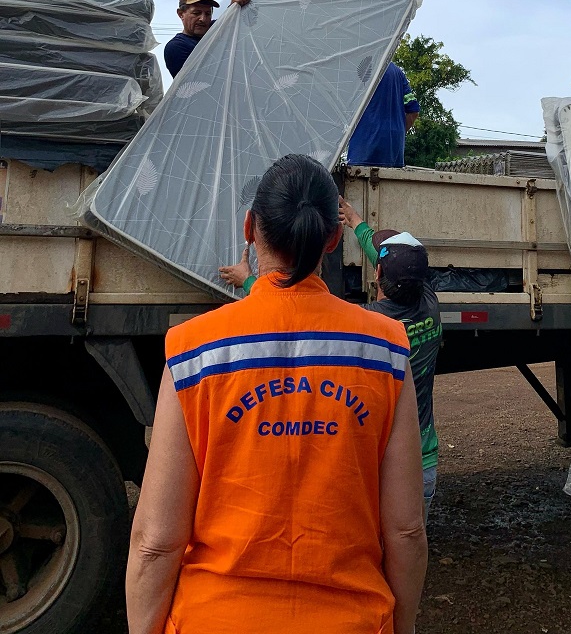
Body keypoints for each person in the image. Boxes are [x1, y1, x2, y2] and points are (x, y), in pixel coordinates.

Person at [126, 154, 428, 634]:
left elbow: (155, 541)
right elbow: (407, 529)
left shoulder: (193, 351)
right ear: (333, 238)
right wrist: (404, 625)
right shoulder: (386, 349)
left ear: (250, 227)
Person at [340, 196, 441, 519]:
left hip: (377, 463)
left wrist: (248, 280)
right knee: (410, 545)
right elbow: (386, 260)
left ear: (378, 270)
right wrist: (356, 222)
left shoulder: (367, 324)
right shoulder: (431, 305)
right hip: (422, 461)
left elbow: (302, 316)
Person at [164, 0, 250, 78]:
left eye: (208, 13)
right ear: (181, 14)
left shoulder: (216, 29)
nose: (203, 19)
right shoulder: (177, 47)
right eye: (196, 13)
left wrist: (235, 7)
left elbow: (235, 22)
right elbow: (201, 83)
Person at [347, 61, 420, 168]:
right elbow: (414, 111)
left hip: (362, 147)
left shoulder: (359, 65)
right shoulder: (398, 73)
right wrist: (397, 132)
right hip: (393, 150)